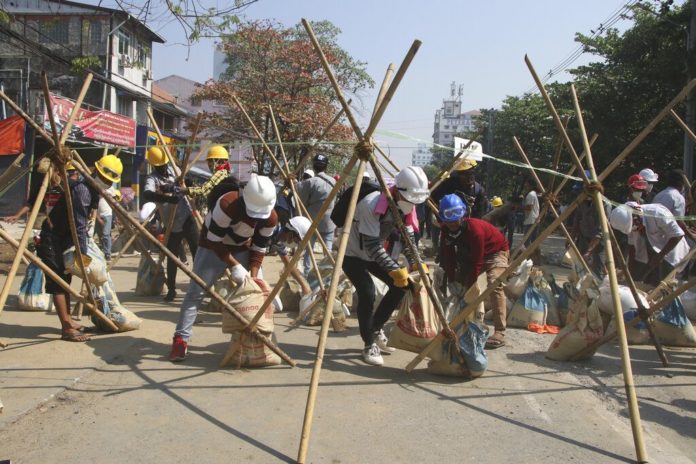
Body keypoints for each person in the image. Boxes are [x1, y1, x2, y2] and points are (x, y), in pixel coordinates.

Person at [169, 174, 278, 361]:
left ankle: (251, 342)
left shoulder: (271, 218)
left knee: (255, 294)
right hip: (212, 246)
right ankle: (181, 340)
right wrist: (235, 266)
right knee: (196, 293)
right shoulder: (227, 205)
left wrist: (253, 278)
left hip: (242, 246)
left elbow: (258, 248)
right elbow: (214, 240)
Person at [342, 166, 429, 366]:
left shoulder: (407, 205)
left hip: (374, 256)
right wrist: (395, 268)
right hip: (352, 254)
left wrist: (417, 262)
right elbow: (372, 245)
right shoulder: (370, 204)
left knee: (403, 285)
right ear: (398, 191)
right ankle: (368, 344)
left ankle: (376, 328)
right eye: (409, 200)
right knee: (367, 292)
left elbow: (408, 239)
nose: (411, 204)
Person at [36, 156, 123, 342]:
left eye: (110, 181)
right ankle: (66, 328)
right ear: (97, 173)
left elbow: (86, 220)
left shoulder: (93, 189)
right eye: (106, 179)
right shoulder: (82, 189)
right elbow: (79, 225)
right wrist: (82, 253)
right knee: (58, 283)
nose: (108, 183)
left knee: (65, 280)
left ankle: (68, 320)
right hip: (52, 238)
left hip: (65, 239)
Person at [438, 194, 510, 348]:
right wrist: (452, 281)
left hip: (495, 252)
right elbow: (448, 257)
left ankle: (500, 331)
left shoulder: (474, 230)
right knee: (460, 281)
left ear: (462, 215)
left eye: (455, 218)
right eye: (448, 220)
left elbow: (478, 262)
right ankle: (461, 319)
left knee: (493, 283)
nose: (452, 223)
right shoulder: (446, 230)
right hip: (470, 254)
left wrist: (471, 288)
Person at [143, 146, 199, 302]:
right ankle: (172, 289)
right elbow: (147, 194)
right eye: (160, 166)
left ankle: (199, 286)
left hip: (187, 216)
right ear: (155, 166)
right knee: (172, 257)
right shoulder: (152, 178)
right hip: (171, 221)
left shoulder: (174, 171)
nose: (163, 168)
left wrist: (184, 183)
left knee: (197, 251)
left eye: (164, 165)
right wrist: (167, 198)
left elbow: (188, 185)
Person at [609, 201, 691, 285]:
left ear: (635, 216)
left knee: (664, 285)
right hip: (652, 250)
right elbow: (632, 247)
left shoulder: (657, 213)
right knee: (646, 282)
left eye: (635, 225)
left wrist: (660, 255)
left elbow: (677, 235)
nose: (635, 228)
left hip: (670, 250)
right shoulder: (628, 224)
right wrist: (630, 273)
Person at [430, 158, 490, 260]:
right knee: (446, 249)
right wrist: (441, 219)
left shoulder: (479, 190)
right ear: (458, 174)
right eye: (465, 174)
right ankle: (443, 256)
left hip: (468, 224)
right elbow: (433, 197)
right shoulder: (449, 184)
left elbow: (480, 214)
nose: (469, 177)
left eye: (471, 173)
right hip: (450, 222)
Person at [295, 153, 336, 274]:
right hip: (329, 221)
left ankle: (308, 273)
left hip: (312, 220)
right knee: (327, 250)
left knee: (309, 250)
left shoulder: (310, 182)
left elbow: (302, 200)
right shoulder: (333, 181)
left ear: (314, 166)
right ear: (326, 167)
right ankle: (327, 273)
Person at [570, 173, 604, 278]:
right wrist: (572, 238)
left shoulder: (602, 205)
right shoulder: (582, 202)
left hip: (598, 244)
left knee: (597, 270)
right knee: (579, 269)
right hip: (583, 238)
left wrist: (589, 251)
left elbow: (599, 232)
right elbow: (577, 219)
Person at [269, 215, 313, 296]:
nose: (295, 243)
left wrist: (303, 285)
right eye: (296, 240)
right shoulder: (271, 230)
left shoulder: (280, 241)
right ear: (291, 232)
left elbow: (288, 264)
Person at [653, 169, 696, 241]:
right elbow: (679, 222)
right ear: (681, 183)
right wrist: (691, 236)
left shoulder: (658, 196)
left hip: (655, 238)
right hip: (671, 239)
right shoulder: (678, 198)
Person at [522, 177, 541, 264]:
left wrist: (519, 206)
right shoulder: (534, 194)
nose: (525, 185)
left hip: (530, 220)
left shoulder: (530, 195)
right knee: (534, 241)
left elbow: (528, 207)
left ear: (530, 185)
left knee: (527, 241)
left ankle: (528, 259)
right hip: (534, 220)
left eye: (526, 183)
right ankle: (535, 259)